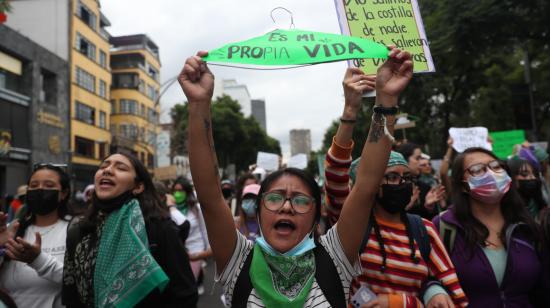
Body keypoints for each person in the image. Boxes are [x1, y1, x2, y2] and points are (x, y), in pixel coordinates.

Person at [178, 46, 413, 307]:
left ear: (316, 217)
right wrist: (199, 104)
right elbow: (210, 195)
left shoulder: (335, 256)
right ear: (258, 211)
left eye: (300, 200)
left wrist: (387, 101)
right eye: (275, 198)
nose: (287, 207)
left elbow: (367, 184)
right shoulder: (238, 260)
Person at [324, 76, 467, 307]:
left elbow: (457, 301)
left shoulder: (425, 231)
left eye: (407, 177)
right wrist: (350, 111)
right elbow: (334, 171)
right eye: (391, 177)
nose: (401, 183)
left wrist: (402, 302)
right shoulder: (351, 225)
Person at [62, 153, 198, 307]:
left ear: (138, 186)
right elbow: (71, 293)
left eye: (121, 168)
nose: (107, 170)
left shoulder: (158, 228)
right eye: (103, 166)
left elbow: (185, 293)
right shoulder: (79, 228)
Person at [433, 147, 549, 307]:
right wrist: (433, 290)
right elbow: (427, 277)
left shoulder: (527, 227)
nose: (491, 173)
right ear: (462, 185)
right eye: (477, 169)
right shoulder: (444, 227)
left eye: (496, 166)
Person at [0, 163, 71, 308]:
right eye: (34, 185)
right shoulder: (13, 230)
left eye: (49, 185)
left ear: (63, 193)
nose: (40, 190)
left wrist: (38, 260)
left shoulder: (75, 230)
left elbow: (81, 281)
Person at [172, 177, 211, 285]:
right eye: (175, 191)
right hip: (178, 252)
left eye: (180, 191)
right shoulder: (171, 209)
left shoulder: (196, 208)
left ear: (187, 192)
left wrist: (207, 250)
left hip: (195, 250)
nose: (177, 194)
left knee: (190, 282)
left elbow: (204, 229)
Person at [395, 143, 445, 219]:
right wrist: (406, 208)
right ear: (404, 159)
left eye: (421, 159)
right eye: (417, 158)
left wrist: (428, 207)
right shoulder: (393, 187)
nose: (420, 162)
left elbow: (430, 221)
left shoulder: (424, 187)